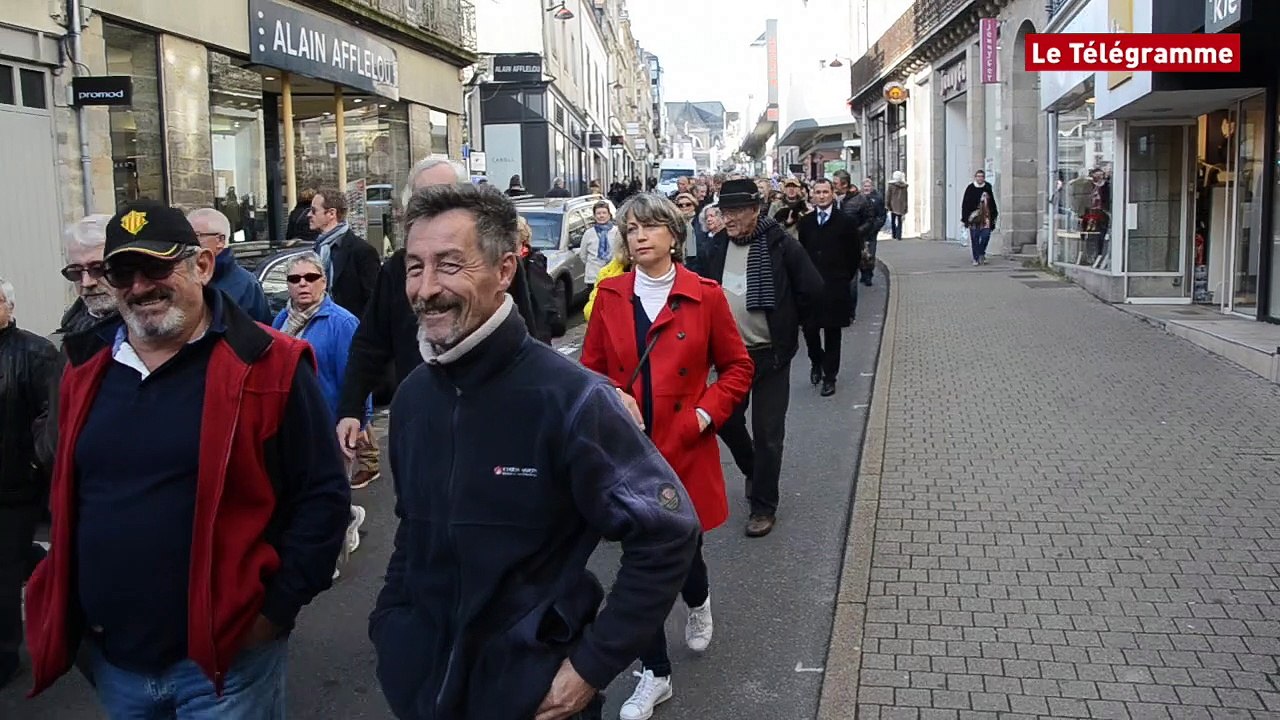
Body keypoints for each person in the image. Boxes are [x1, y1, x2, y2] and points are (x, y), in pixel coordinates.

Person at [370, 184, 700, 720]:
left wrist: (590, 668)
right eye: (414, 267)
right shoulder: (413, 399)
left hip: (536, 696)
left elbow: (667, 534)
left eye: (449, 265)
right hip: (425, 690)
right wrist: (392, 628)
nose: (426, 289)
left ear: (504, 271)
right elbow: (413, 529)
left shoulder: (571, 399)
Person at [25, 201, 351, 716]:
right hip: (116, 663)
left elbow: (323, 497)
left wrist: (273, 612)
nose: (140, 286)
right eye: (122, 272)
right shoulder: (85, 369)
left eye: (157, 267)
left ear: (201, 265)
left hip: (227, 666)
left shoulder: (269, 366)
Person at [580, 193, 752, 720]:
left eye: (651, 226)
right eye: (630, 228)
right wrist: (614, 393)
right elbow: (588, 369)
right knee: (641, 563)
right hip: (630, 453)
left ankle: (698, 603)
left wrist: (703, 416)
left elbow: (738, 367)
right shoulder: (609, 294)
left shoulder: (706, 295)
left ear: (674, 235)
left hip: (686, 449)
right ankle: (654, 672)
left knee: (687, 555)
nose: (638, 235)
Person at [336, 157, 546, 478]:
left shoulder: (492, 265)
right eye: (424, 201)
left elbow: (530, 335)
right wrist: (351, 409)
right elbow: (371, 343)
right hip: (424, 422)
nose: (428, 287)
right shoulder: (395, 270)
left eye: (445, 196)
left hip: (495, 416)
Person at [705, 179, 822, 537]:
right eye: (725, 211)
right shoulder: (717, 247)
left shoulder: (781, 245)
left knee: (769, 432)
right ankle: (754, 468)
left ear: (756, 210)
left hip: (771, 356)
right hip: (730, 359)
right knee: (724, 421)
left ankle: (763, 507)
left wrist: (791, 330)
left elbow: (813, 290)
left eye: (738, 211)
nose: (731, 218)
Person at [270, 252, 370, 576]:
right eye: (295, 279)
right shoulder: (279, 322)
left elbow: (356, 377)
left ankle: (331, 561)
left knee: (331, 496)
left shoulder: (341, 322)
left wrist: (358, 421)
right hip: (290, 427)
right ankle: (350, 517)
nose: (303, 285)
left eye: (310, 278)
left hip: (331, 425)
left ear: (324, 282)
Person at [0, 278, 57, 690]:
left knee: (2, 577)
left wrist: (39, 469)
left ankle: (5, 656)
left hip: (14, 488)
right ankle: (38, 561)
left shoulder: (35, 352)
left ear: (8, 305)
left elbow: (49, 421)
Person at [797, 179, 861, 397]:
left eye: (825, 192)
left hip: (835, 286)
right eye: (818, 192)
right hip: (811, 289)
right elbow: (802, 254)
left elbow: (854, 255)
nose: (822, 196)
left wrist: (843, 278)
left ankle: (830, 377)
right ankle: (817, 361)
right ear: (812, 195)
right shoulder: (805, 223)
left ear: (833, 194)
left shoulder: (845, 222)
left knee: (833, 333)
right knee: (810, 331)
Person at [187, 208, 272, 323]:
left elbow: (262, 333)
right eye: (186, 235)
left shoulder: (246, 284)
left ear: (220, 241)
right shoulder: (179, 275)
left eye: (196, 235)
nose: (188, 242)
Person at [310, 187, 380, 316]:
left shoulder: (362, 251)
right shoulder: (318, 248)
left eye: (314, 211)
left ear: (331, 213)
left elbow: (373, 300)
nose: (309, 215)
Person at [579, 201, 620, 294]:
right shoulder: (589, 233)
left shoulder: (617, 232)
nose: (601, 216)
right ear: (594, 216)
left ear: (609, 215)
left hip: (613, 275)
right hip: (593, 276)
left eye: (604, 213)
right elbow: (583, 255)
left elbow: (622, 251)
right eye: (598, 213)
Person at [961, 169, 998, 266]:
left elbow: (992, 202)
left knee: (986, 236)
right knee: (975, 238)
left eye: (982, 176)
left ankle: (981, 252)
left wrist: (994, 215)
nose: (980, 178)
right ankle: (976, 258)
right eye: (978, 176)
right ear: (975, 177)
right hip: (973, 218)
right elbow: (965, 204)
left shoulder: (987, 187)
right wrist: (965, 219)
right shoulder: (970, 188)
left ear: (984, 178)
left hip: (986, 217)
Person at [859, 178, 887, 285]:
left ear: (872, 187)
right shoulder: (859, 199)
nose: (866, 188)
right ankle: (863, 273)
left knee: (870, 254)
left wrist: (875, 227)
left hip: (871, 232)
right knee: (861, 255)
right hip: (860, 232)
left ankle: (869, 275)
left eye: (868, 186)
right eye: (865, 186)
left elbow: (881, 215)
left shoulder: (878, 199)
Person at [886, 170, 908, 240]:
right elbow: (906, 197)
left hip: (893, 205)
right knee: (900, 221)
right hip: (901, 205)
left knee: (893, 220)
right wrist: (906, 206)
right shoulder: (904, 186)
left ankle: (894, 234)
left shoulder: (891, 186)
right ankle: (899, 235)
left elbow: (888, 195)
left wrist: (887, 204)